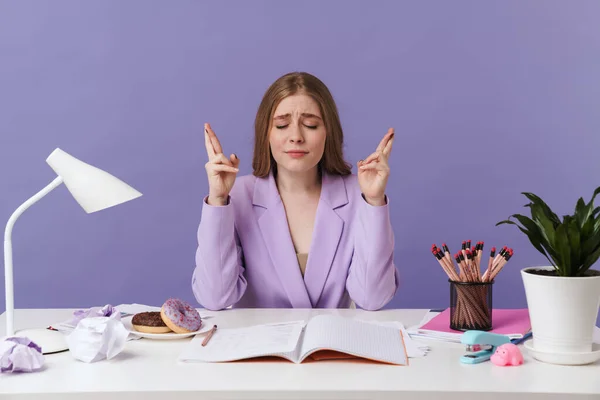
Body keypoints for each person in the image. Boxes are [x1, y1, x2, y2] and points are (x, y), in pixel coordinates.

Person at [192, 71, 399, 311]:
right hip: (259, 347)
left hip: (330, 345)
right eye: (281, 125)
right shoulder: (236, 196)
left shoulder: (359, 194)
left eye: (310, 125)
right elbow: (214, 298)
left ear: (328, 132)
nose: (296, 137)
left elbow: (373, 298)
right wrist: (218, 201)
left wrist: (374, 203)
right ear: (266, 133)